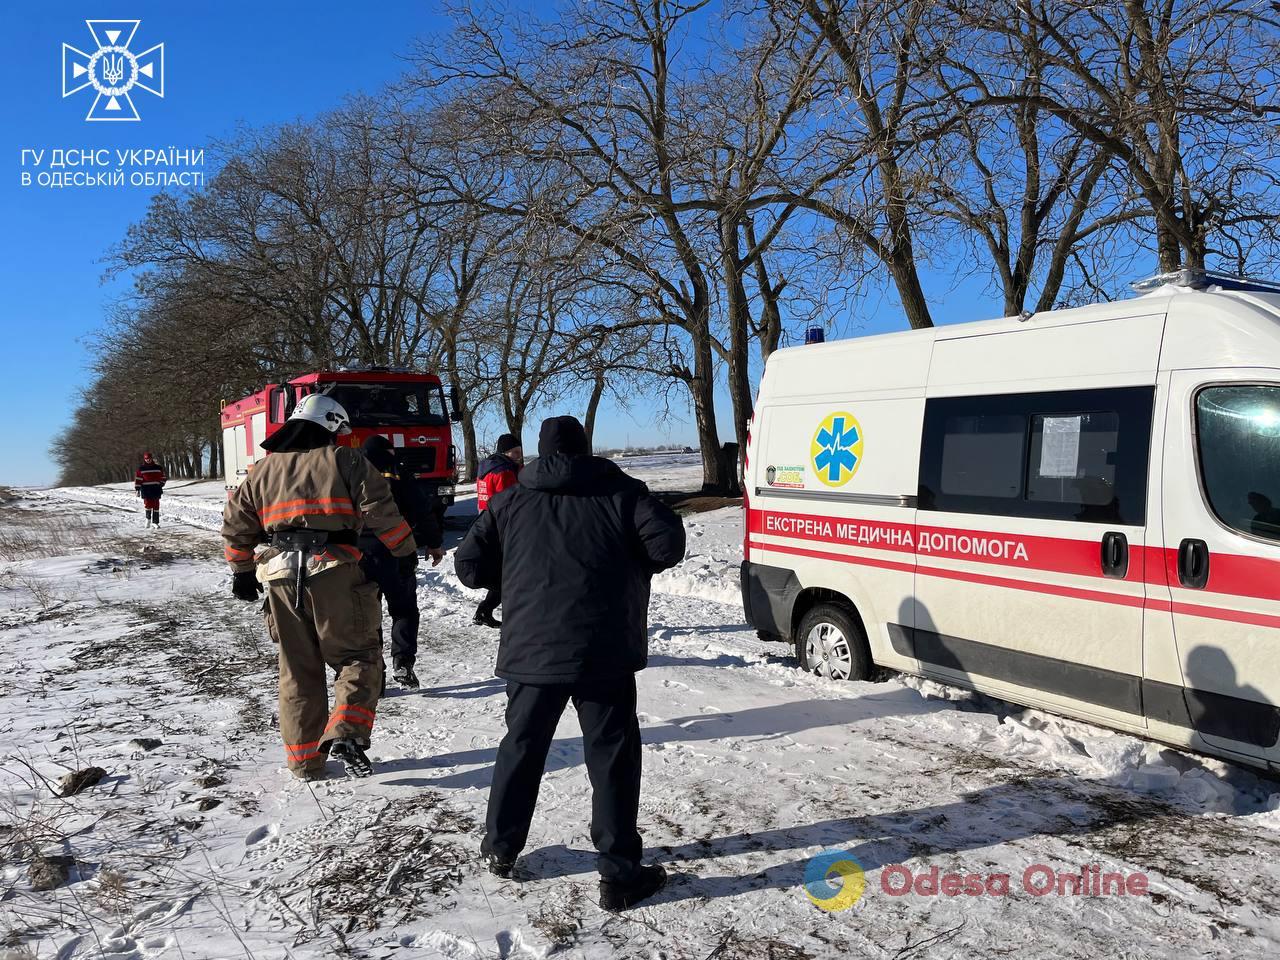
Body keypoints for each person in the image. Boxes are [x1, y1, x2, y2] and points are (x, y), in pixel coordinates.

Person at [455, 415, 686, 912]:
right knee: (612, 759)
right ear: (586, 448)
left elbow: (469, 567)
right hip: (603, 650)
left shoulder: (510, 499)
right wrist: (629, 563)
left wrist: (516, 573)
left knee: (521, 748)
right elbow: (667, 544)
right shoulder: (620, 492)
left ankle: (500, 848)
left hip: (531, 652)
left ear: (539, 451)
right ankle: (620, 874)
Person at [221, 395, 418, 780]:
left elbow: (235, 524)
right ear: (330, 425)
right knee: (359, 656)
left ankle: (304, 762)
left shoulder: (261, 470)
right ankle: (345, 733)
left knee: (297, 669)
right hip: (334, 570)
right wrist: (404, 551)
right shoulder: (348, 461)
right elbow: (380, 510)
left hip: (278, 573)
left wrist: (241, 570)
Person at [358, 434, 446, 689]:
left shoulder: (349, 477)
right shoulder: (398, 472)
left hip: (359, 558)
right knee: (404, 609)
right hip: (398, 553)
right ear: (388, 452)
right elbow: (422, 509)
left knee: (367, 616)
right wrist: (434, 543)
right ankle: (403, 662)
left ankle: (377, 674)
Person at [472, 433, 523, 628]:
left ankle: (485, 610)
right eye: (515, 452)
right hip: (502, 527)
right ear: (505, 452)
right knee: (508, 572)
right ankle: (487, 609)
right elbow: (510, 501)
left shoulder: (486, 468)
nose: (519, 456)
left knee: (502, 571)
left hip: (484, 522)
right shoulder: (504, 472)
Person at [134, 452, 167, 527]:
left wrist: (161, 484)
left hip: (156, 489)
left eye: (149, 459)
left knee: (156, 505)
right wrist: (137, 489)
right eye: (146, 459)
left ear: (152, 458)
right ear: (144, 459)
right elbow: (138, 479)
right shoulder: (141, 469)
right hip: (146, 489)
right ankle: (148, 519)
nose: (148, 460)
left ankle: (155, 522)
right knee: (148, 504)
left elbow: (163, 477)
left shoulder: (158, 468)